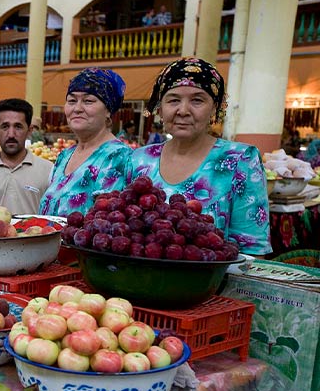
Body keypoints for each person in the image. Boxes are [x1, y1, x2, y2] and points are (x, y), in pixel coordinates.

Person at [125, 57, 271, 256]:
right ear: (160, 108)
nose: (183, 111)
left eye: (197, 100)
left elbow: (252, 251)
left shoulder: (240, 160)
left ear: (214, 108)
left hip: (214, 284)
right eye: (173, 100)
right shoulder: (140, 159)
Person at [38, 68, 130, 217]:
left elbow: (106, 222)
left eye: (88, 101)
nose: (77, 108)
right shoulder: (64, 156)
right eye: (72, 101)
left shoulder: (118, 157)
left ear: (108, 111)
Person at [0, 98, 53, 215]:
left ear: (29, 131)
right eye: (5, 127)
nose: (11, 134)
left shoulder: (49, 172)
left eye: (18, 127)